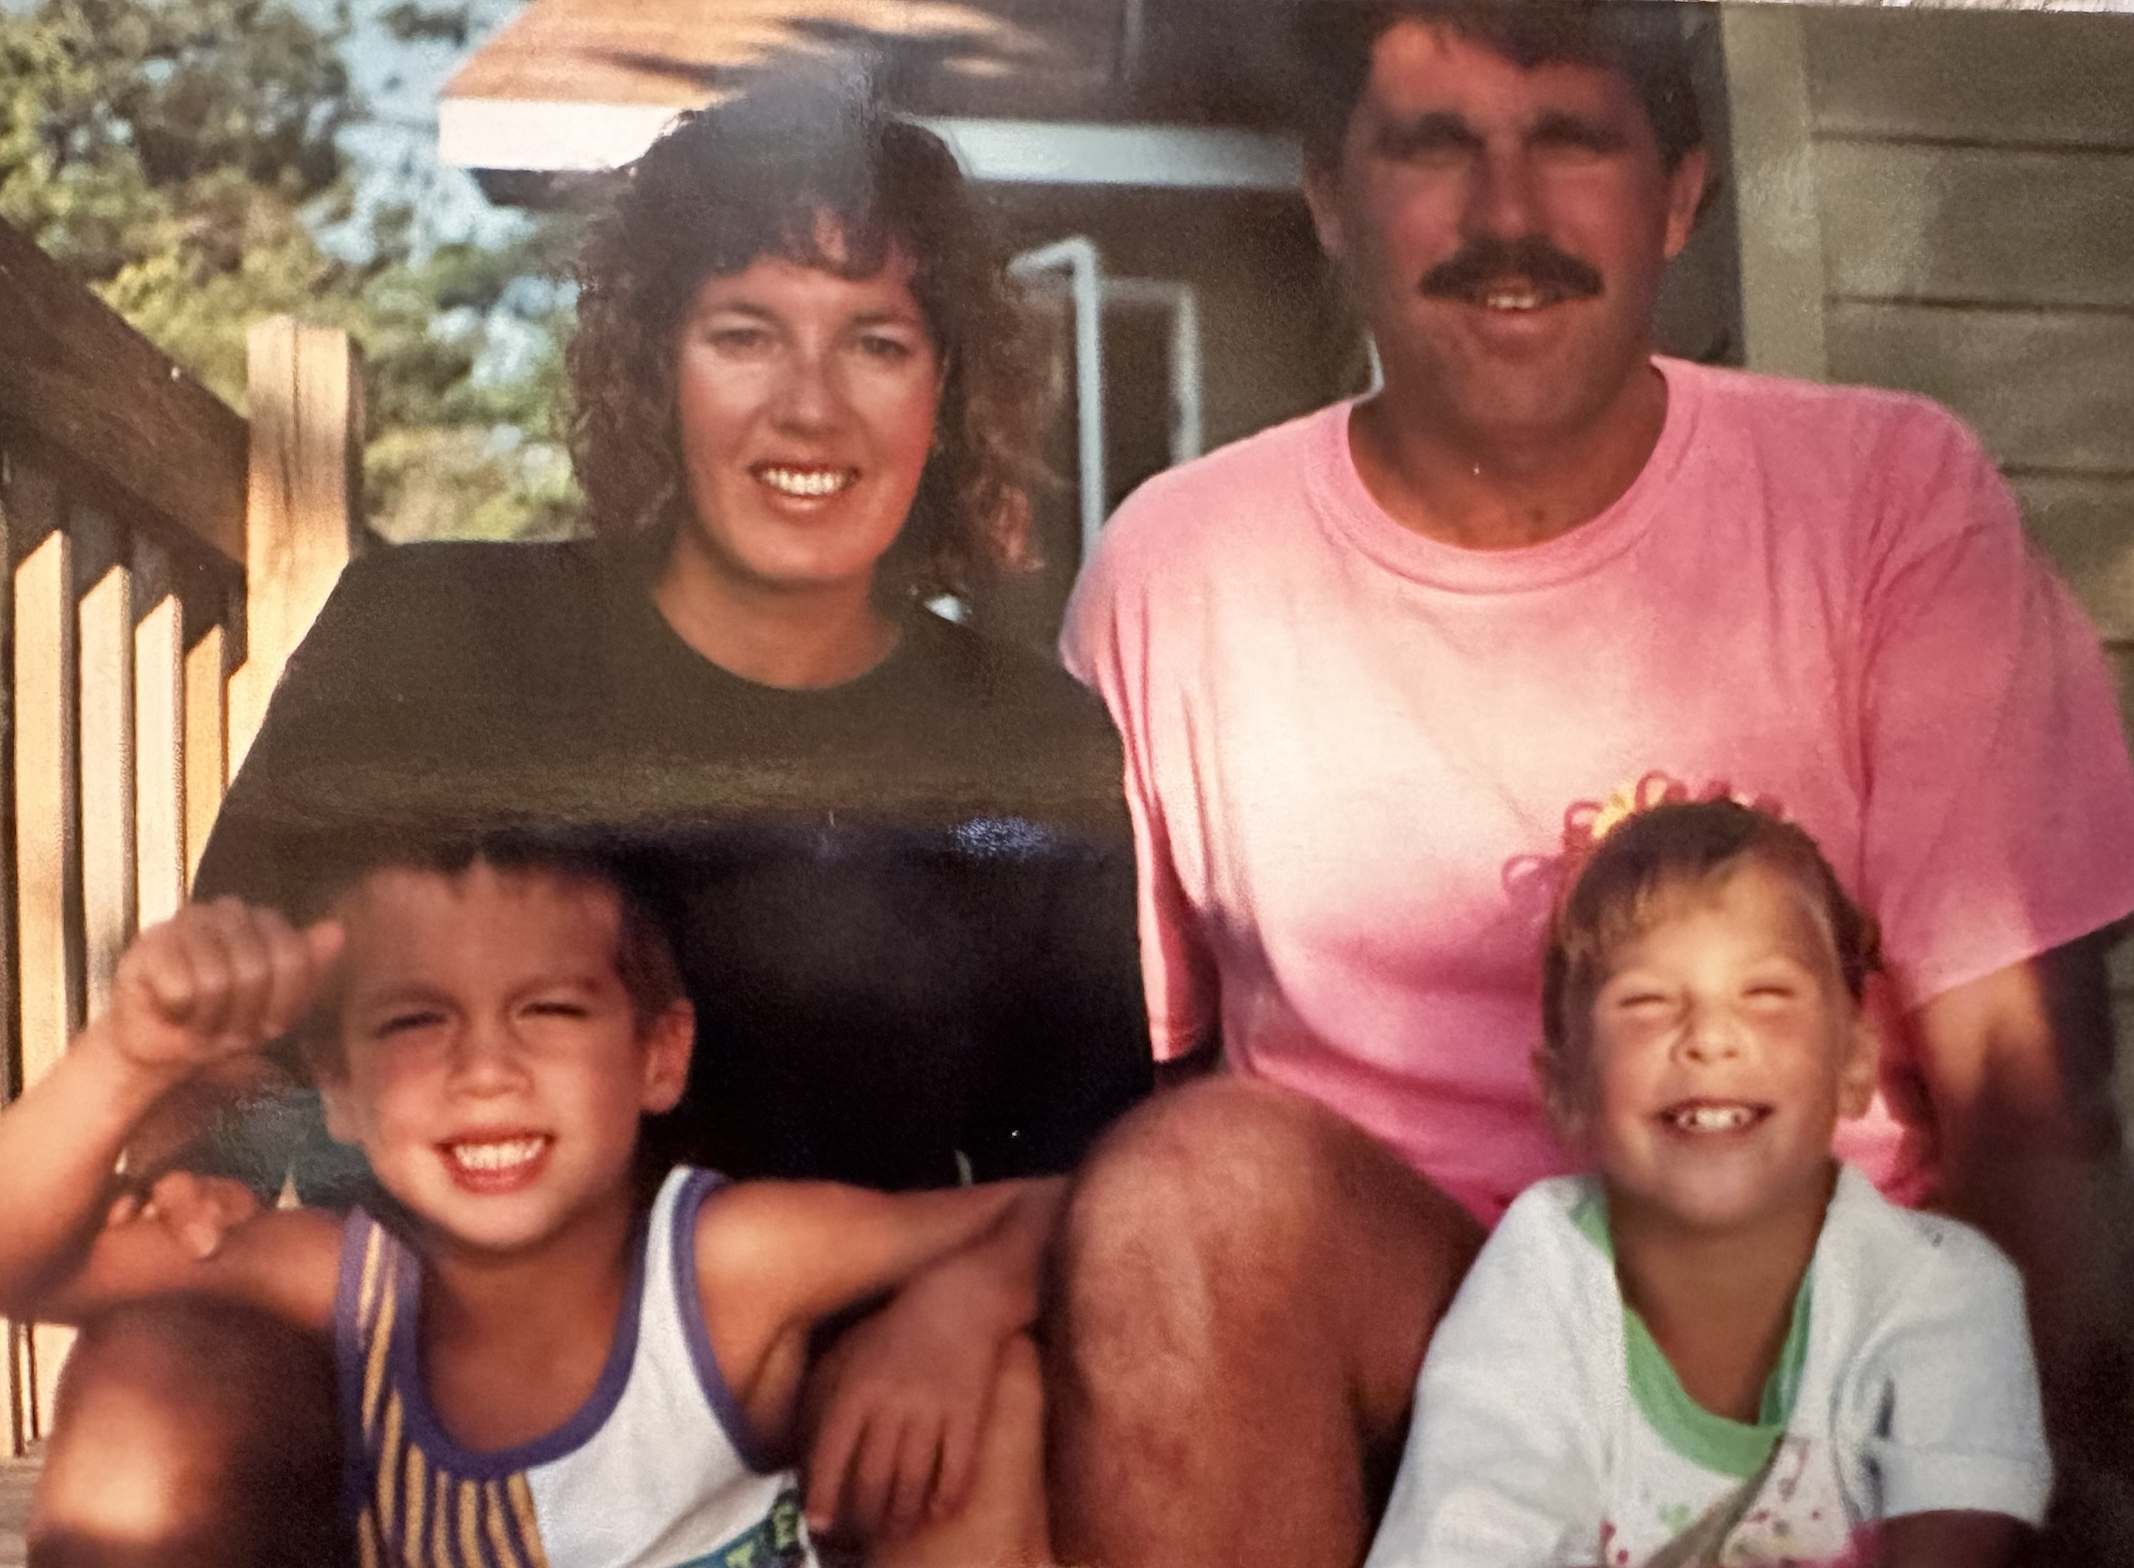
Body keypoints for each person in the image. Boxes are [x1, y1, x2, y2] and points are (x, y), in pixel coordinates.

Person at [1051, 3, 2134, 1564]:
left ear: (1679, 197)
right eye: (1434, 147)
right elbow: (1117, 1113)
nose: (1507, 219)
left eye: (1571, 139)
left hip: (1806, 1351)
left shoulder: (1886, 502)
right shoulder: (1180, 568)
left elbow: (2026, 1107)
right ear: (1330, 198)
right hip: (1397, 1364)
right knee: (1183, 1198)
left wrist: (2010, 1490)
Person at [57, 79, 1148, 1563]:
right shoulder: (428, 633)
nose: (808, 405)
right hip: (420, 1369)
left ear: (945, 393)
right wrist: (201, 1198)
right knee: (152, 1392)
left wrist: (967, 1300)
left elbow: (1094, 1171)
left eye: (874, 343)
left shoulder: (1026, 742)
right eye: (744, 334)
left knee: (997, 1400)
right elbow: (239, 1035)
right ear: (657, 366)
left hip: (792, 1387)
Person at [0, 838, 1060, 1568]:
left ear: (658, 1054)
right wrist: (128, 1055)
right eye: (418, 1020)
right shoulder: (342, 1286)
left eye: (548, 1009)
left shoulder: (726, 1267)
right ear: (339, 1088)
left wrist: (959, 1306)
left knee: (998, 1384)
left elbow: (1068, 1206)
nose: (486, 1068)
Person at [1366, 798, 2051, 1567]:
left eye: (1765, 996)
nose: (1710, 1038)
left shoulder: (1938, 1290)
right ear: (1564, 1086)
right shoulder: (1545, 1272)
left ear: (1855, 1061)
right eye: (1648, 1004)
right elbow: (1472, 1531)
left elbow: (1961, 1542)